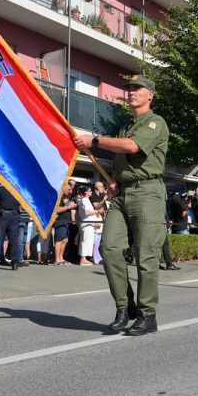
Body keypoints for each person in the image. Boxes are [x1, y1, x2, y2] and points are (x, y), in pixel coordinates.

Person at [73, 75, 168, 336]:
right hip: (123, 194)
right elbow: (121, 159)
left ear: (150, 95)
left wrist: (94, 140)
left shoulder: (155, 122)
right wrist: (115, 182)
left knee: (145, 256)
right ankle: (125, 308)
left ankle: (148, 315)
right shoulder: (126, 125)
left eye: (137, 89)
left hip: (147, 193)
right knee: (109, 248)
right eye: (128, 88)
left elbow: (132, 147)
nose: (131, 92)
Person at [0, 184, 22, 271]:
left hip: (3, 216)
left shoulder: (0, 189)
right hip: (14, 216)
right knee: (14, 240)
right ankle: (15, 263)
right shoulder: (18, 189)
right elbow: (21, 205)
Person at [51, 183, 76, 265]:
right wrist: (69, 207)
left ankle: (61, 258)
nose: (69, 191)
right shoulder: (59, 197)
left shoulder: (67, 197)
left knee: (65, 240)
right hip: (60, 220)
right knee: (59, 239)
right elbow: (57, 209)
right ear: (63, 188)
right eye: (68, 189)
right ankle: (57, 259)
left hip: (66, 221)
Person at [76, 184, 99, 266]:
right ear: (86, 192)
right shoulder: (85, 200)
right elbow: (87, 212)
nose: (91, 192)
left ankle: (84, 258)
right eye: (89, 191)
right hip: (86, 223)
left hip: (88, 223)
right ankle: (83, 259)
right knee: (86, 241)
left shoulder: (86, 200)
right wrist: (96, 211)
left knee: (87, 241)